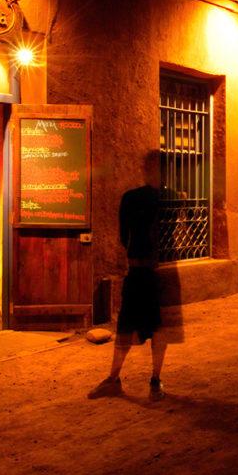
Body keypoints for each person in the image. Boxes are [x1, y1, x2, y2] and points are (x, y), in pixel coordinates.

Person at [89, 152, 168, 400]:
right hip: (151, 272)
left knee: (146, 326)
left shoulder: (132, 198)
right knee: (150, 327)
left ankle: (139, 380)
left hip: (141, 270)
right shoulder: (168, 200)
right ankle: (145, 381)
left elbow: (125, 237)